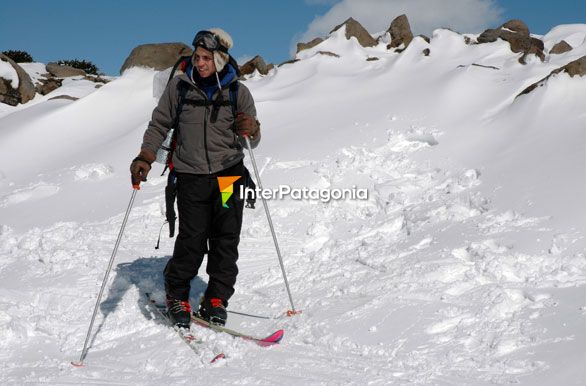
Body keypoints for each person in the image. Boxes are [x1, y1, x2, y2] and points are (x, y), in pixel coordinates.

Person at [130, 28, 260, 327]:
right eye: (197, 57)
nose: (199, 63)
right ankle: (177, 295)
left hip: (229, 176)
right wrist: (145, 156)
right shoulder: (179, 88)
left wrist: (251, 127)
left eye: (205, 58)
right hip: (191, 177)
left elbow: (254, 140)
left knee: (226, 238)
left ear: (220, 59)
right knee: (193, 239)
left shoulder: (239, 92)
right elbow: (158, 124)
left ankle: (216, 298)